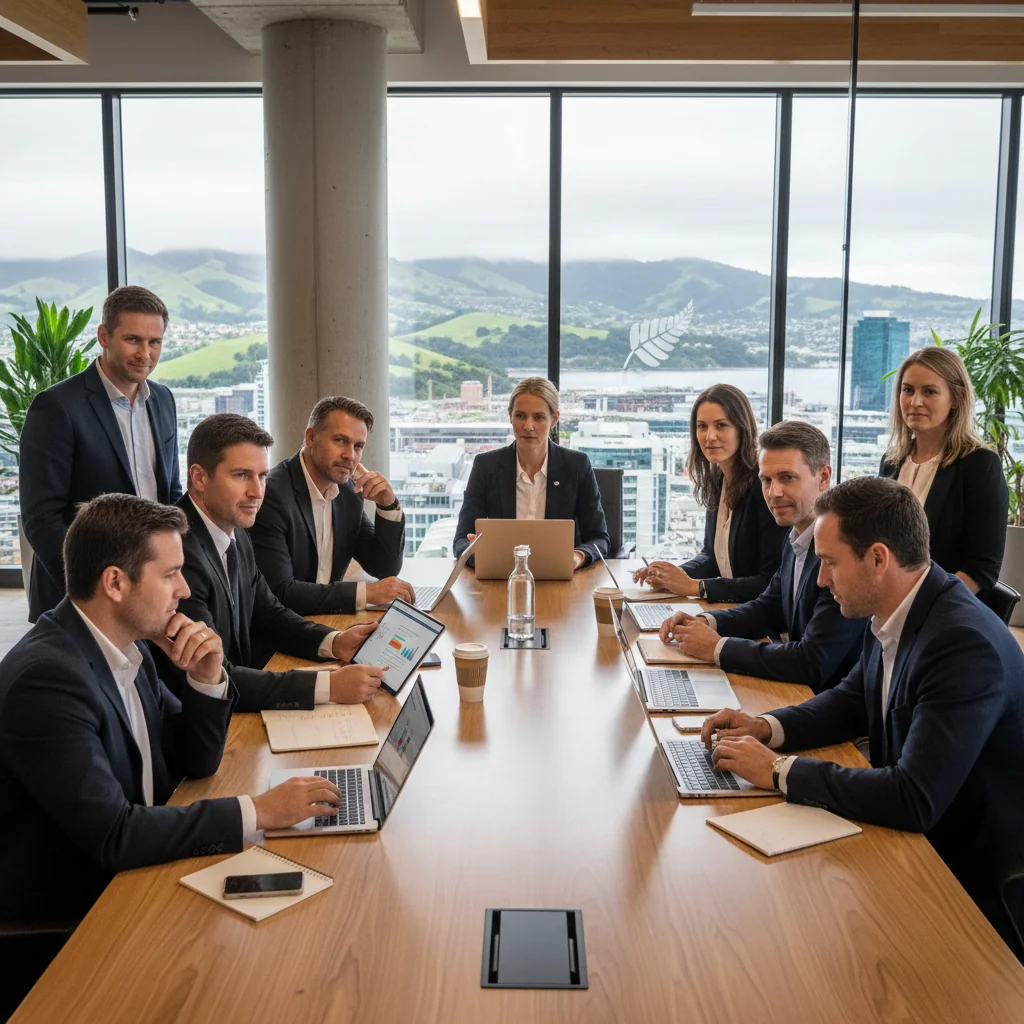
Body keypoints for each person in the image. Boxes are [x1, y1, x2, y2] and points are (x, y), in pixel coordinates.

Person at [702, 476, 1024, 954]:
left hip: (964, 875)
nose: (821, 579)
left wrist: (775, 771)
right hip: (918, 841)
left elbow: (913, 797)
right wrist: (767, 727)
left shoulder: (962, 643)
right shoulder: (899, 608)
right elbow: (853, 700)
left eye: (830, 562)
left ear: (878, 559)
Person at [0, 494, 344, 926]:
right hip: (79, 914)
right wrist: (260, 811)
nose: (184, 589)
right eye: (171, 574)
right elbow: (115, 835)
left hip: (142, 870)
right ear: (115, 583)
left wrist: (206, 677)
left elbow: (194, 761)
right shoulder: (47, 681)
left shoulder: (128, 645)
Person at [169, 414, 387, 712]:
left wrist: (335, 642)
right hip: (200, 722)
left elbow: (268, 614)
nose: (257, 492)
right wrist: (329, 686)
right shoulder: (175, 555)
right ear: (199, 477)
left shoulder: (234, 530)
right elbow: (213, 675)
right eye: (241, 475)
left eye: (261, 476)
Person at [658, 421, 865, 693]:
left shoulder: (843, 551)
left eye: (787, 478)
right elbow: (769, 607)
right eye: (766, 480)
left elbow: (813, 660)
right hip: (798, 694)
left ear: (824, 477)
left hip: (829, 709)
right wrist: (705, 622)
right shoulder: (795, 538)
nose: (773, 493)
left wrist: (716, 647)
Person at [19, 285, 182, 622]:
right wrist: (90, 593)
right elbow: (41, 517)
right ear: (104, 336)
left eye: (155, 343)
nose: (145, 354)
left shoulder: (163, 400)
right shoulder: (57, 407)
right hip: (83, 600)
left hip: (148, 591)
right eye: (133, 340)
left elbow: (171, 494)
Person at [250, 395, 413, 615]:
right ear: (311, 437)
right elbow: (281, 592)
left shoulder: (348, 492)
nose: (350, 455)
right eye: (341, 441)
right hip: (283, 634)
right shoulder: (273, 496)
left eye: (358, 446)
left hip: (328, 620)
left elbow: (384, 568)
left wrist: (388, 505)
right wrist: (366, 594)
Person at [633, 384, 788, 601]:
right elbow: (711, 556)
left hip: (758, 620)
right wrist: (669, 575)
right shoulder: (718, 480)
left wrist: (697, 587)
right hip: (730, 609)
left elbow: (769, 581)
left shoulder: (763, 487)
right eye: (702, 426)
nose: (710, 436)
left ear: (742, 428)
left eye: (721, 425)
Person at [879, 345, 1007, 595]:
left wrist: (919, 606)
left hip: (943, 612)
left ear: (956, 399)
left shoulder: (979, 465)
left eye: (929, 391)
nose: (916, 402)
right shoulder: (891, 462)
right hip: (885, 605)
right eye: (908, 390)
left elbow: (982, 568)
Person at [453, 377, 610, 567]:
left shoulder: (577, 465)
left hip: (562, 578)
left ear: (554, 419)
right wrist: (475, 554)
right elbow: (461, 540)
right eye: (520, 416)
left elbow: (599, 539)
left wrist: (578, 556)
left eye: (538, 417)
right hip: (502, 577)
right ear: (510, 415)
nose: (528, 426)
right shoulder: (486, 466)